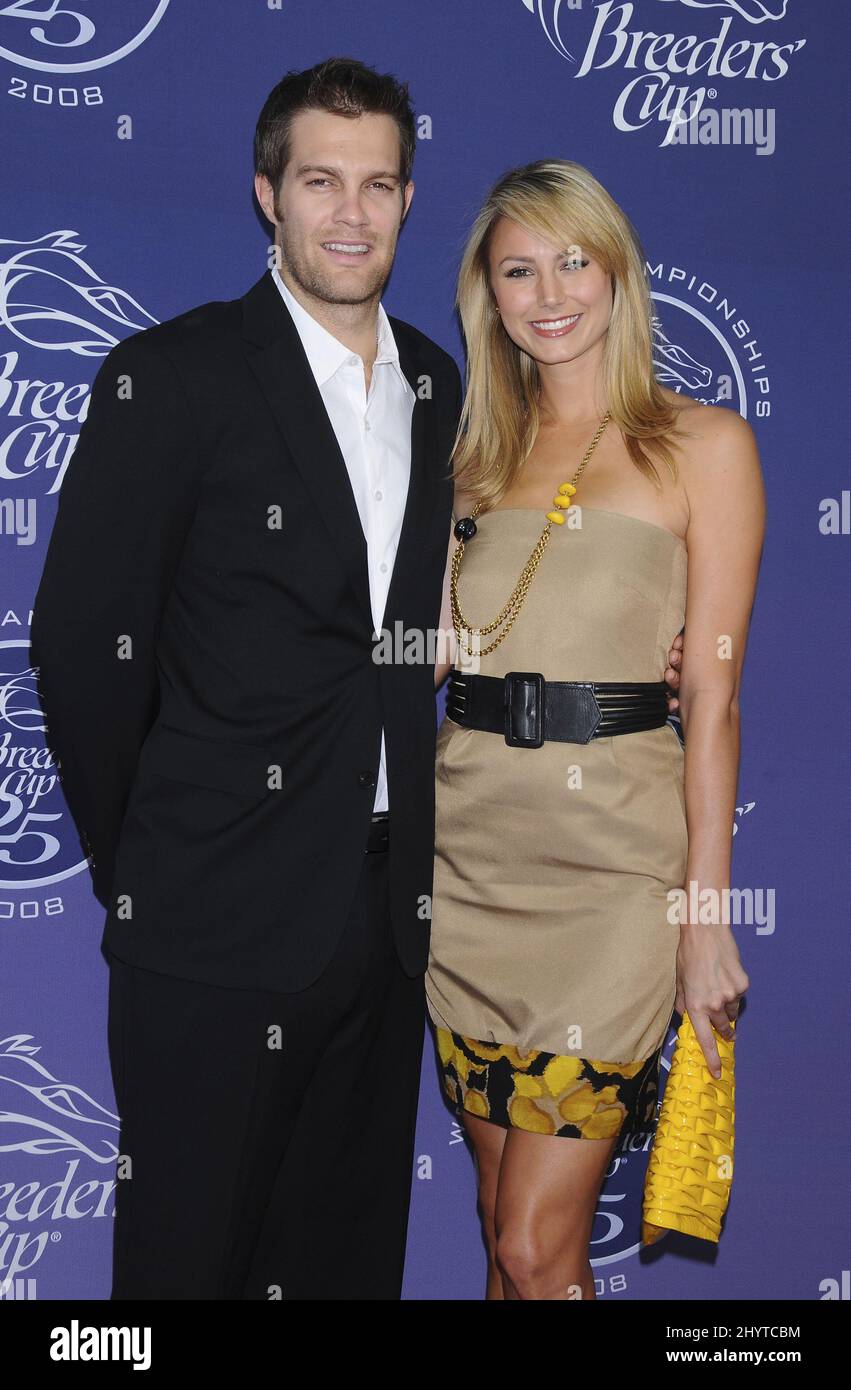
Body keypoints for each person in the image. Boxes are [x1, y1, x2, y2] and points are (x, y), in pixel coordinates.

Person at [29, 57, 462, 1300]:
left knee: (342, 1265)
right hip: (208, 918)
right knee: (184, 1271)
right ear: (265, 194)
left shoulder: (437, 383)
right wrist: (154, 859)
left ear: (406, 197)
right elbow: (81, 645)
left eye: (376, 183)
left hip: (384, 924)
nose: (350, 212)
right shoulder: (171, 376)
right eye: (319, 180)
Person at [427, 159, 763, 1301]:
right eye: (518, 268)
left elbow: (712, 695)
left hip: (613, 875)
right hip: (468, 870)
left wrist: (700, 919)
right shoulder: (467, 461)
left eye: (573, 259)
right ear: (488, 295)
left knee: (533, 1243)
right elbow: (418, 651)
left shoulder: (699, 446)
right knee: (498, 1231)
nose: (549, 290)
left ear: (618, 272)